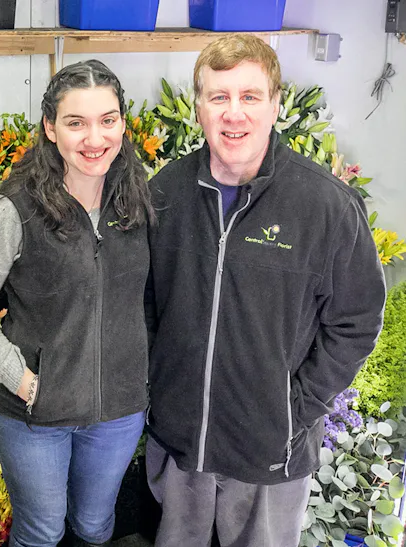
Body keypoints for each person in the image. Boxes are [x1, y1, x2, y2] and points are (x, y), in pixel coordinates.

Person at [144, 34, 386, 547]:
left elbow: (358, 319)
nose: (235, 114)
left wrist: (295, 409)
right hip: (179, 443)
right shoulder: (166, 193)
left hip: (270, 454)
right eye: (219, 97)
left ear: (275, 105)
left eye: (250, 96)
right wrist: (155, 393)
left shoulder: (326, 207)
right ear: (199, 107)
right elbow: (145, 304)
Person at [0, 59, 154, 547]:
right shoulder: (15, 210)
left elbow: (150, 298)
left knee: (94, 526)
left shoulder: (138, 201)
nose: (94, 138)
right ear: (49, 128)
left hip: (117, 413)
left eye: (107, 120)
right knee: (41, 531)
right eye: (76, 122)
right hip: (34, 415)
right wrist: (22, 379)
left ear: (123, 124)